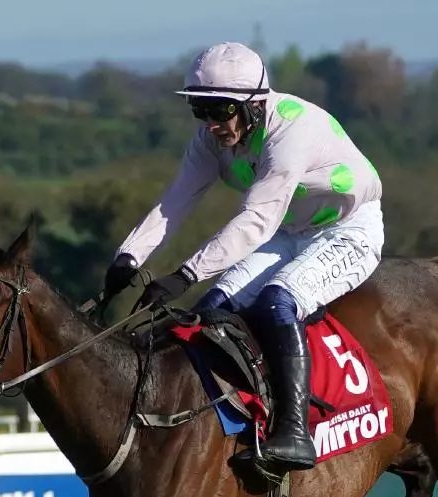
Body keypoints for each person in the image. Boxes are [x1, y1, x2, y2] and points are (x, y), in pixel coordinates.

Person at [103, 41, 384, 474]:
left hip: (349, 230)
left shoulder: (292, 131)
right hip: (292, 232)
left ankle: (294, 432)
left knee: (276, 301)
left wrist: (185, 273)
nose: (211, 124)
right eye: (201, 111)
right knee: (208, 313)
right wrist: (129, 257)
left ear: (254, 104)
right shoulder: (209, 141)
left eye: (220, 111)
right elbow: (174, 203)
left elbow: (257, 220)